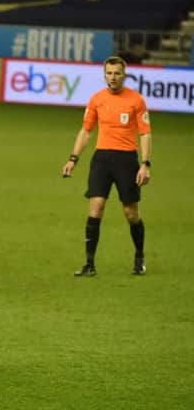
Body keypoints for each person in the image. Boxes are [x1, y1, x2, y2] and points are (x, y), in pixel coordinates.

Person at [62, 56, 152, 277]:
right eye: (109, 73)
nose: (112, 77)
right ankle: (89, 264)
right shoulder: (96, 100)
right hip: (102, 159)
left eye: (117, 73)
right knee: (96, 208)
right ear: (105, 74)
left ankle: (139, 256)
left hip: (127, 161)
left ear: (124, 75)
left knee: (131, 213)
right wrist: (73, 159)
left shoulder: (136, 101)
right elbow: (85, 131)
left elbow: (145, 133)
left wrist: (145, 164)